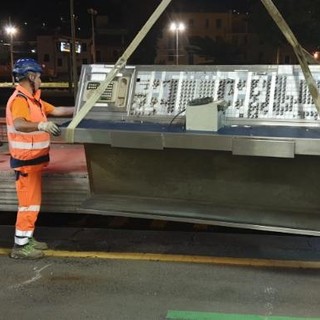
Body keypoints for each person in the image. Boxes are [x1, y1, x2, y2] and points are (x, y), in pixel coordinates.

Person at [6, 58, 74, 259]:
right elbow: (19, 124)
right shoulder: (20, 100)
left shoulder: (33, 99)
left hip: (34, 160)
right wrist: (42, 126)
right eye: (39, 76)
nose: (41, 81)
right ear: (31, 76)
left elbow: (58, 110)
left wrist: (81, 109)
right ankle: (20, 247)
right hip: (26, 162)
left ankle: (28, 238)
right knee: (28, 204)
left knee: (33, 203)